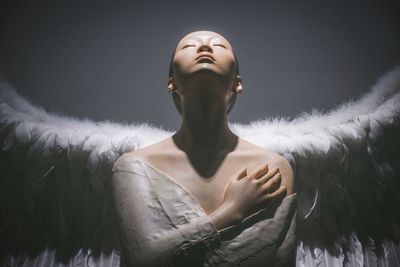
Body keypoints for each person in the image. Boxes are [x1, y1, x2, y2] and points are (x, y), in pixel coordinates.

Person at [111, 31, 296, 267]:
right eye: (189, 46)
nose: (204, 48)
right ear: (171, 83)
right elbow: (140, 261)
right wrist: (233, 211)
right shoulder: (134, 167)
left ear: (238, 83)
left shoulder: (273, 168)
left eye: (218, 45)